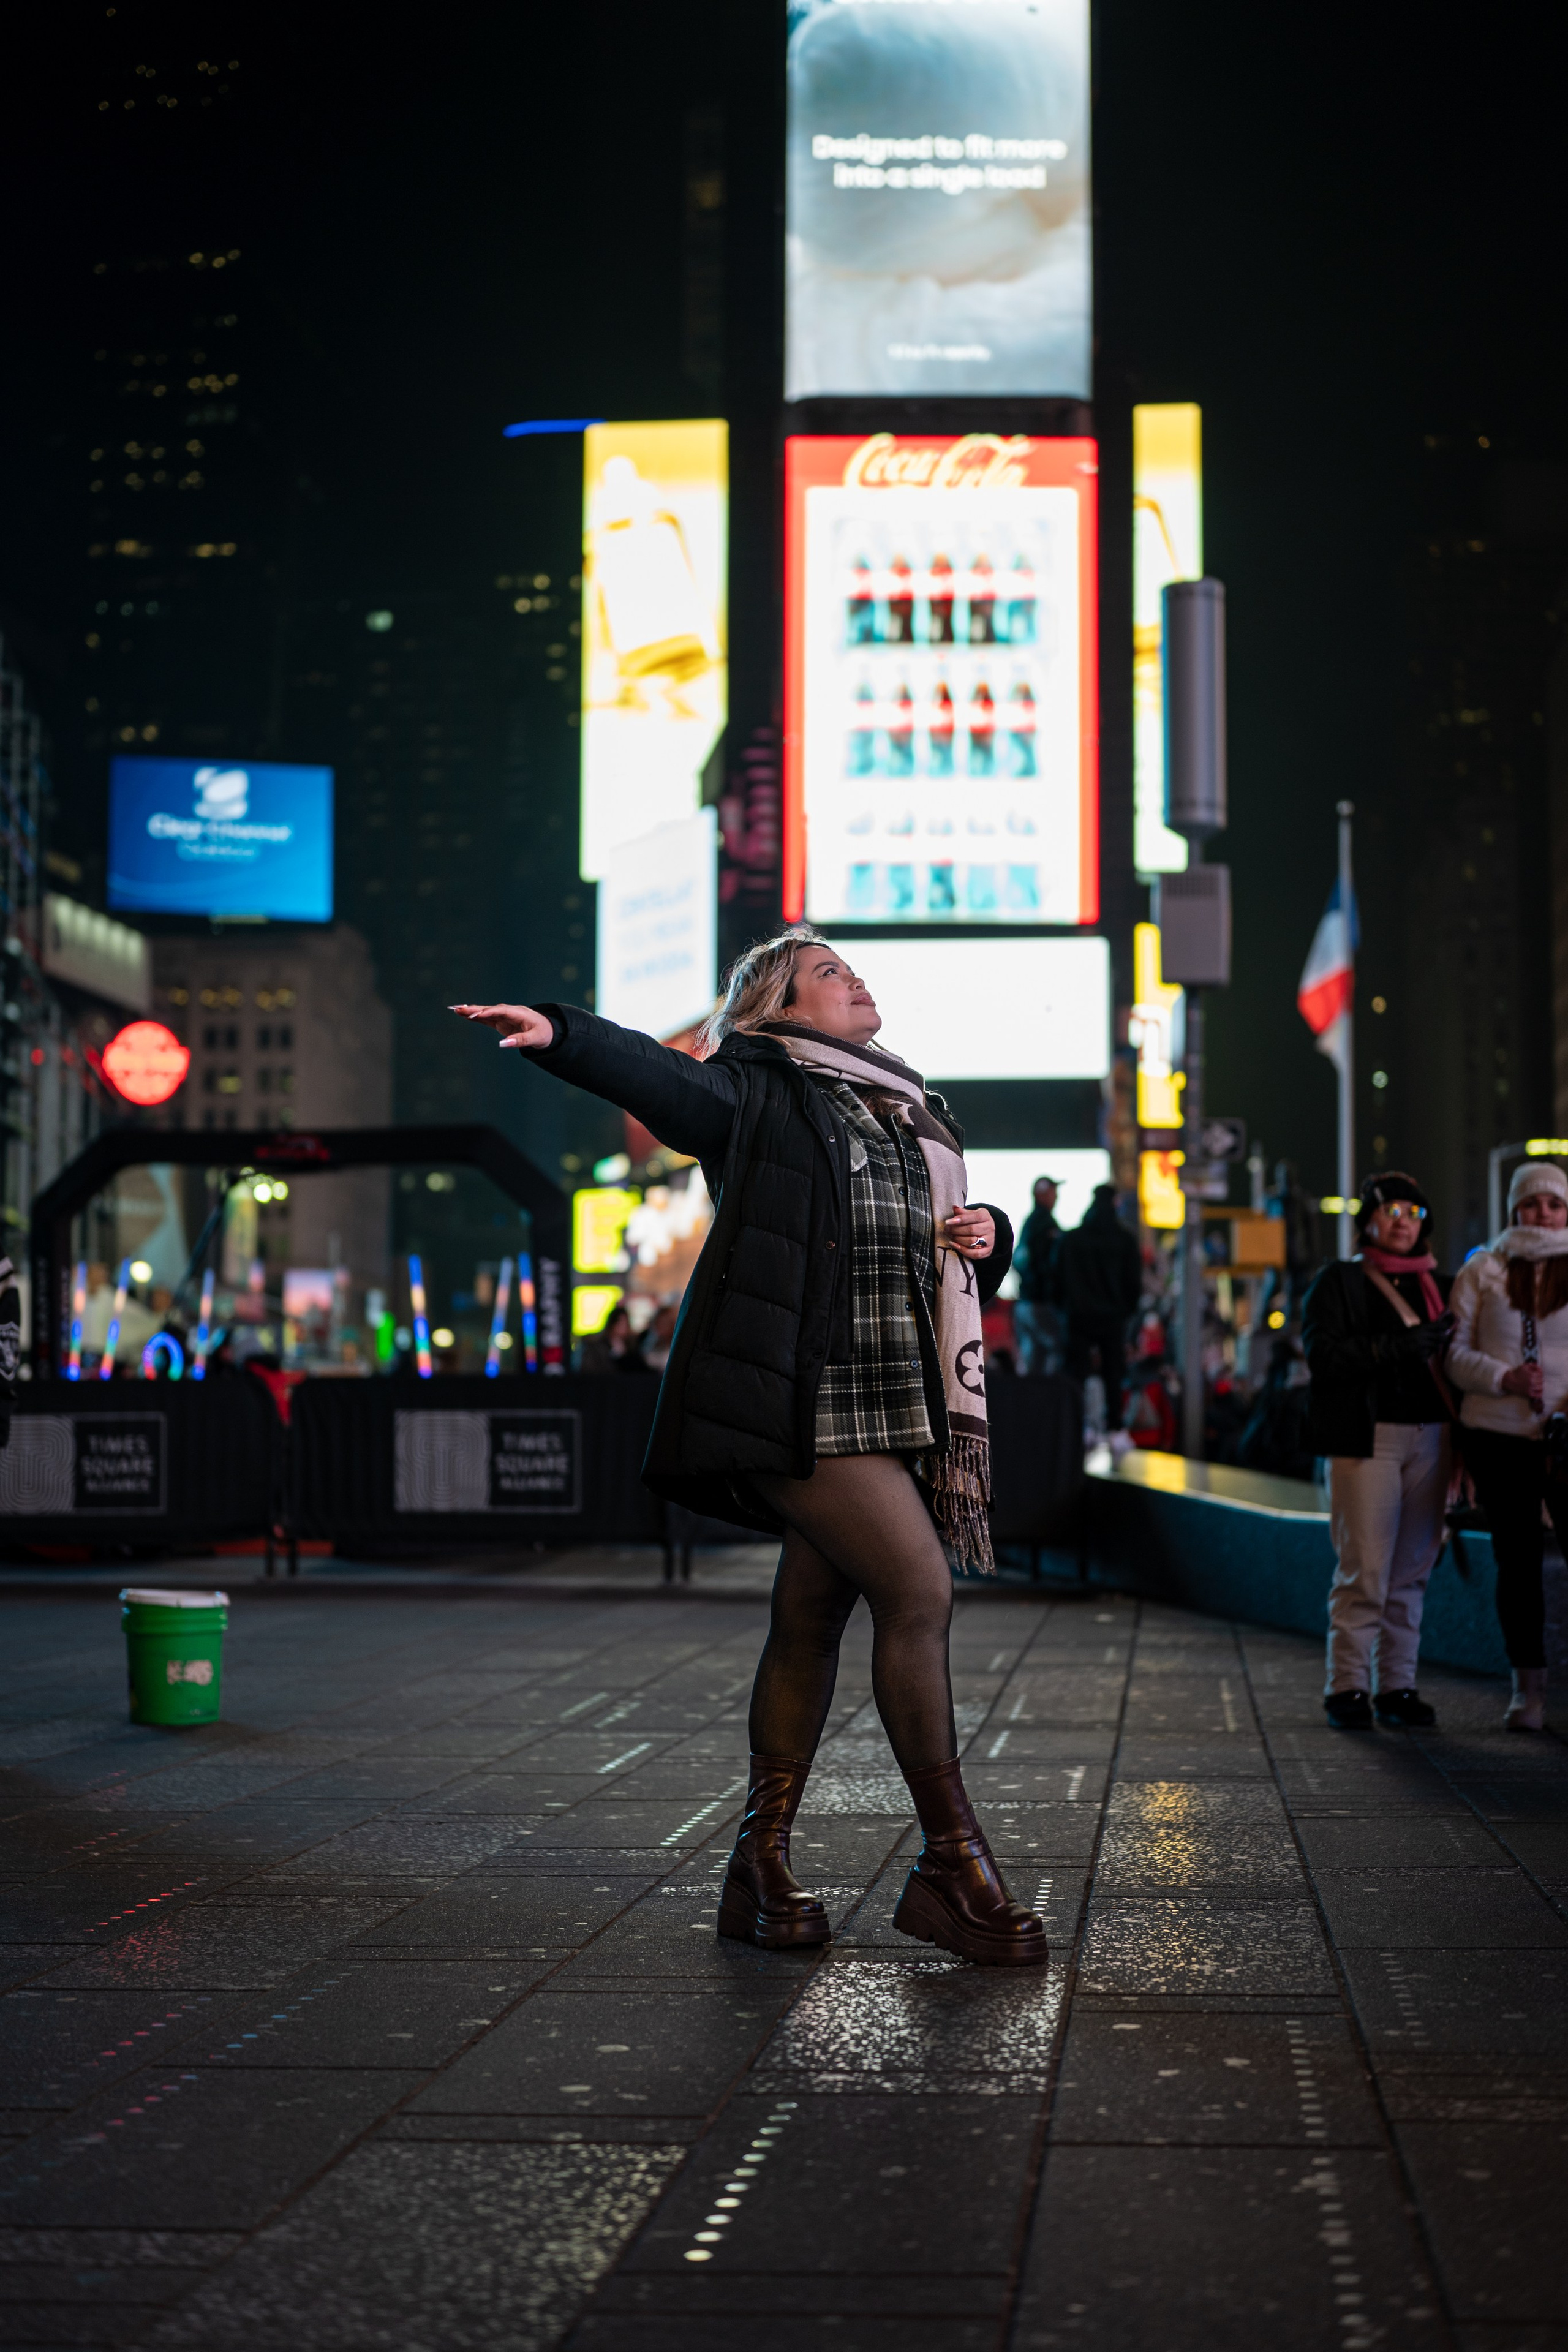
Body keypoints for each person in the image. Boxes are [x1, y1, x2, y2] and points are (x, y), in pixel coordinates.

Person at [452, 930, 1045, 1967]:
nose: (854, 978)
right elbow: (661, 1081)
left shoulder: (906, 1106)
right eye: (828, 972)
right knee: (919, 1595)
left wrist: (989, 1230)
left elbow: (934, 1252)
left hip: (894, 1400)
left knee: (809, 1624)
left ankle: (756, 1868)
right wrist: (563, 1035)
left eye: (851, 967)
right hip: (802, 1399)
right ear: (779, 1007)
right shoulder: (753, 1090)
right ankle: (951, 1866)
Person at [1302, 1171, 1455, 1729]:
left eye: (1414, 1213)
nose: (1402, 1222)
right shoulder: (1340, 1282)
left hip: (1433, 1435)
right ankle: (1346, 1687)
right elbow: (1323, 1357)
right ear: (1367, 1220)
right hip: (1368, 1437)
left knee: (1413, 1570)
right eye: (1391, 1211)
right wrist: (1396, 1348)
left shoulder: (1442, 1284)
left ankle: (1398, 1686)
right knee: (1364, 1567)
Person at [1446, 1158, 1568, 1732]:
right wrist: (1504, 1378)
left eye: (1554, 1204)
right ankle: (1529, 1691)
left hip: (1565, 1439)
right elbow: (1454, 1354)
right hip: (1499, 1437)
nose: (1543, 1213)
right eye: (1532, 1203)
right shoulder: (1485, 1269)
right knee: (1517, 1565)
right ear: (1514, 1208)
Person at [1057, 1183, 1142, 1441]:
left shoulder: (1072, 1239)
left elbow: (1058, 1277)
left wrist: (1067, 1308)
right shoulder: (1125, 1239)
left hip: (1079, 1316)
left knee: (1077, 1372)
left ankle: (1077, 1426)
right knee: (1114, 1372)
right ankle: (1115, 1427)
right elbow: (1133, 1282)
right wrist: (1127, 1311)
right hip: (1113, 1317)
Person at [1012, 1175, 1063, 1375]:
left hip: (1026, 1301)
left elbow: (1020, 1261)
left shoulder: (1030, 1223)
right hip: (1039, 1302)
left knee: (1032, 1358)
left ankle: (1030, 1395)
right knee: (1054, 1351)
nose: (1056, 1196)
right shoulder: (1044, 1223)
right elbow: (1048, 1266)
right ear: (1041, 1195)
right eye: (1052, 1192)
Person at [578, 1302, 652, 1375]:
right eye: (620, 1324)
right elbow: (590, 1371)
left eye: (625, 1325)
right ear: (611, 1325)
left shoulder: (632, 1347)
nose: (623, 1329)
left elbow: (639, 1370)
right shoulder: (597, 1348)